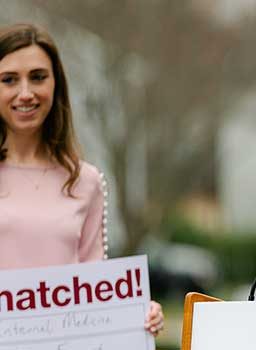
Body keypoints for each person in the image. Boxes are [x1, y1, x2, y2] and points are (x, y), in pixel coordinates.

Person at [0, 23, 164, 336]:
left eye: (38, 77)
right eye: (9, 80)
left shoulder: (85, 182)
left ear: (56, 84)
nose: (25, 93)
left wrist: (137, 313)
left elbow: (95, 294)